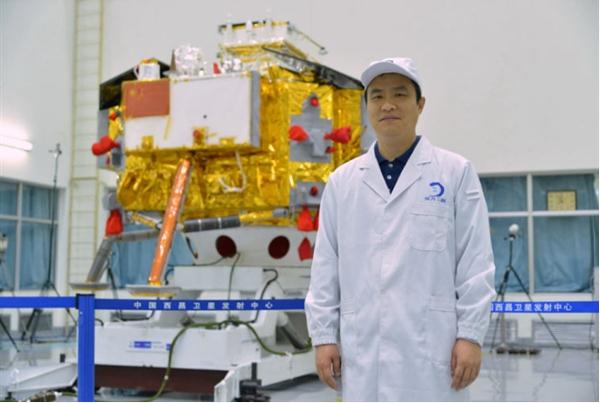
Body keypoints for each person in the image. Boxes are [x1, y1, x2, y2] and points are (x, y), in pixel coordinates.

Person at [305, 57, 496, 401]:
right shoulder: (343, 182)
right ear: (367, 107)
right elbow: (325, 266)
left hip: (431, 350)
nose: (388, 104)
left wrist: (470, 335)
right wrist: (323, 337)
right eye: (377, 96)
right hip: (363, 350)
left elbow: (475, 260)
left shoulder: (455, 172)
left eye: (400, 94)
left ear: (420, 104)